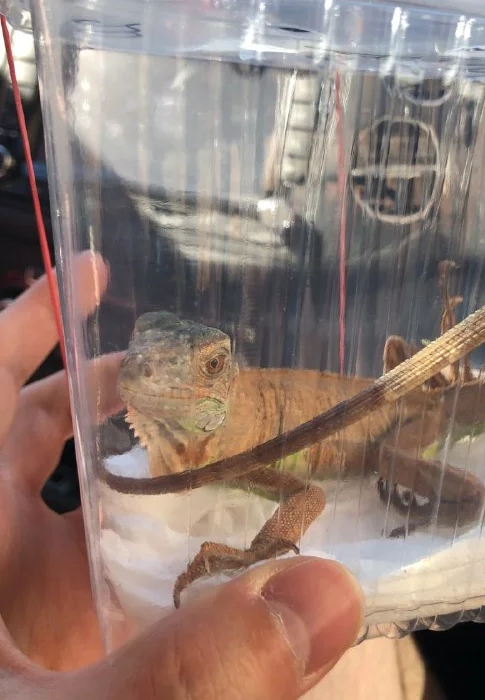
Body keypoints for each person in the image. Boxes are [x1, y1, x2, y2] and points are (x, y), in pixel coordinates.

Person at [0, 251, 364, 699]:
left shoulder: (239, 447)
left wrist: (255, 555)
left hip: (387, 437)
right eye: (142, 343)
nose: (143, 365)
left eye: (210, 366)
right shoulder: (202, 446)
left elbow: (308, 497)